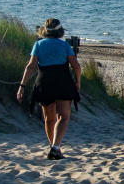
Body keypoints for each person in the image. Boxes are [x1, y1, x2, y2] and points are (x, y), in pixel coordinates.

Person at [17, 18, 81, 160]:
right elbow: (76, 65)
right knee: (63, 117)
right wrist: (78, 82)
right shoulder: (64, 45)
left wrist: (22, 86)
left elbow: (30, 67)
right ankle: (55, 147)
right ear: (60, 31)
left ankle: (53, 146)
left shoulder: (38, 44)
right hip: (62, 82)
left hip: (44, 82)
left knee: (49, 118)